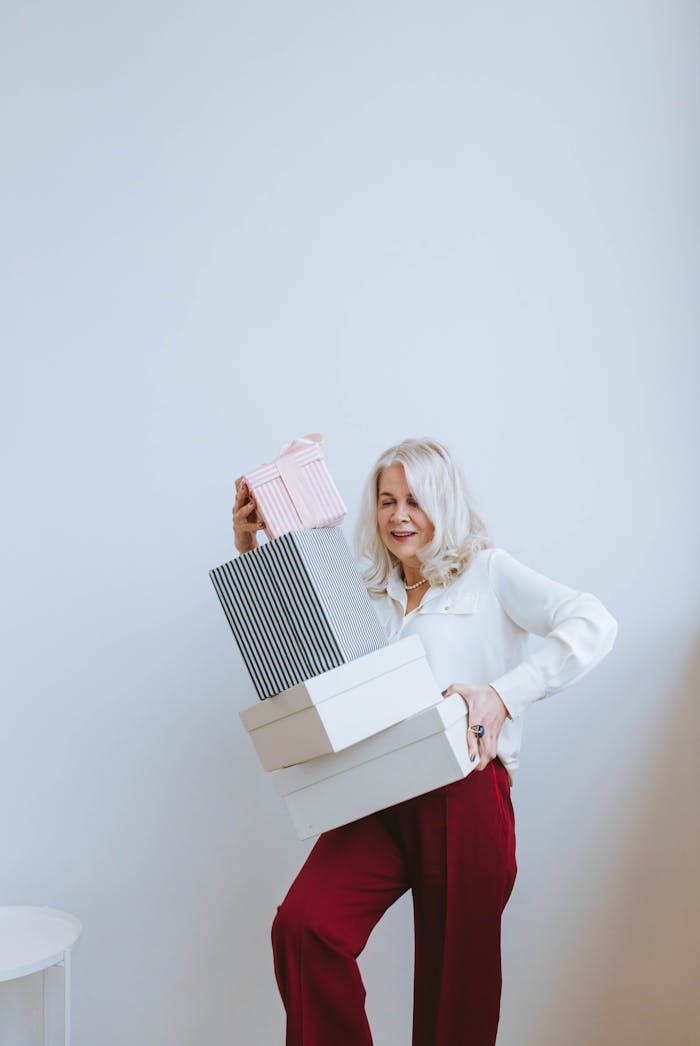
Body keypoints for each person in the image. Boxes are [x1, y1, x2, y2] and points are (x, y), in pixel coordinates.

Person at [232, 437, 618, 1046]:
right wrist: (252, 547)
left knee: (453, 991)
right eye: (387, 500)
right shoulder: (368, 596)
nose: (399, 515)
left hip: (462, 792)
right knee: (305, 928)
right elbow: (300, 655)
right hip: (377, 791)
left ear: (446, 505)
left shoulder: (489, 573)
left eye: (416, 500)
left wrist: (504, 693)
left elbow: (594, 621)